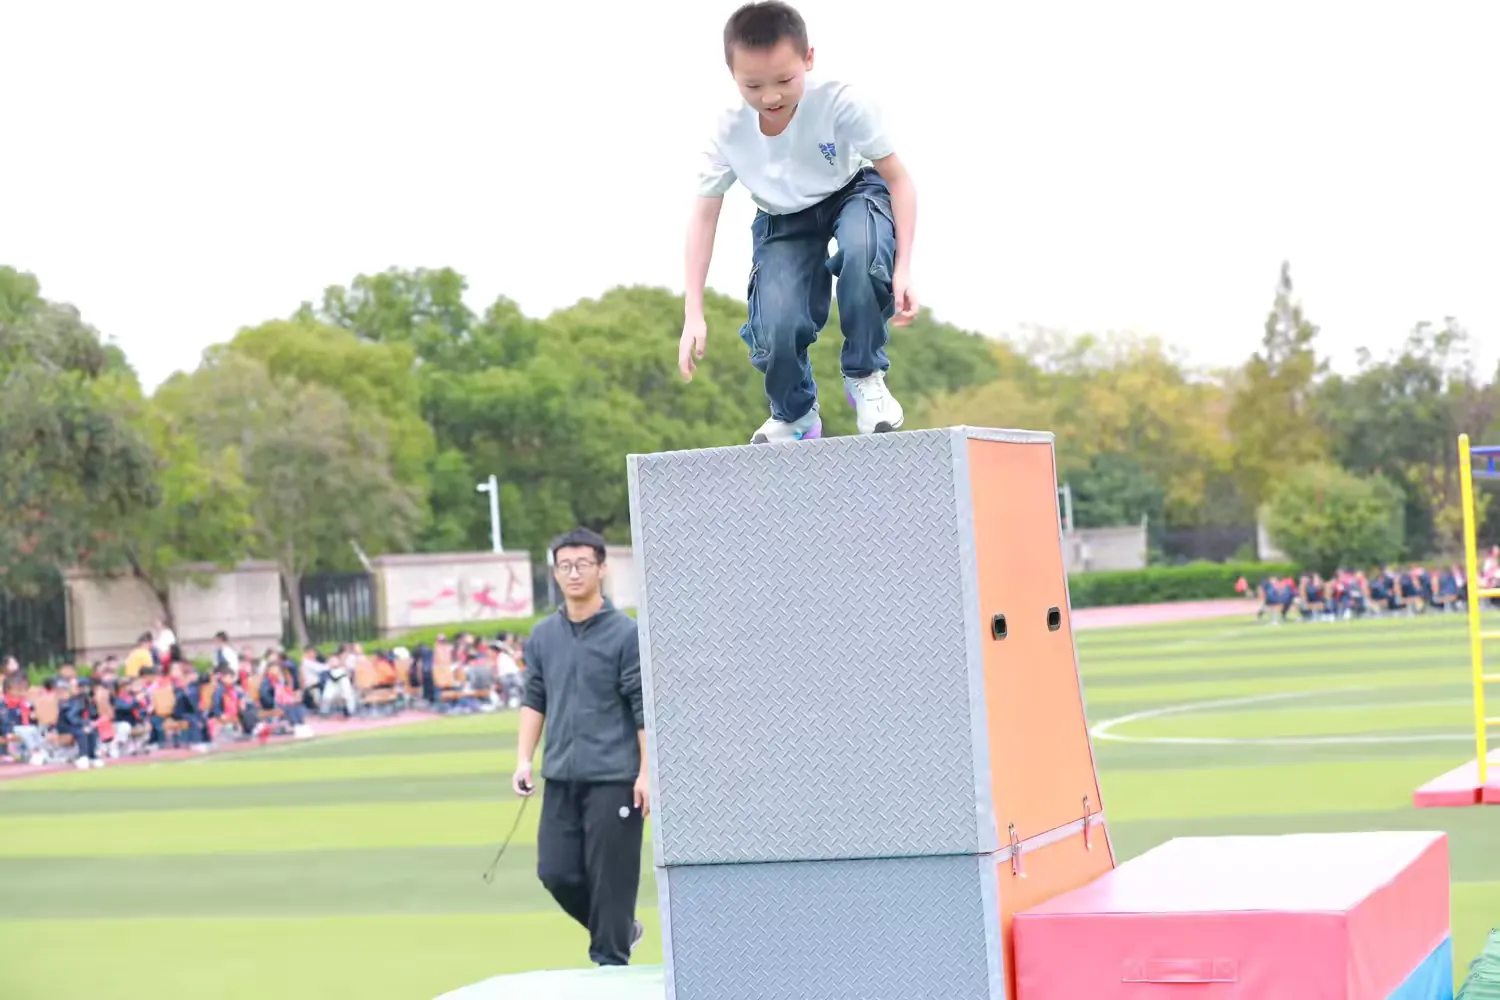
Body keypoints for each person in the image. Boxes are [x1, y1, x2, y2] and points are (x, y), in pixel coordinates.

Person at [677, 0, 919, 444]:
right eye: (753, 85)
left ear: (809, 59)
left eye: (785, 80)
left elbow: (899, 181)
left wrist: (903, 269)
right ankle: (796, 411)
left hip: (852, 188)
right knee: (778, 323)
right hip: (782, 217)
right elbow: (703, 217)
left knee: (863, 253)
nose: (770, 97)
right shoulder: (726, 130)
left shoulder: (843, 101)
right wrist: (693, 312)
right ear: (732, 75)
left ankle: (865, 374)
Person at [512, 528, 648, 967]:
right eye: (565, 566)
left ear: (602, 569)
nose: (573, 573)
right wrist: (523, 760)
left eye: (583, 564)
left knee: (612, 883)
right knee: (555, 872)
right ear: (555, 572)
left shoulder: (626, 634)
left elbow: (643, 708)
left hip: (615, 778)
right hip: (561, 777)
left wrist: (647, 773)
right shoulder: (543, 635)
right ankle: (621, 928)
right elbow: (535, 699)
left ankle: (611, 956)